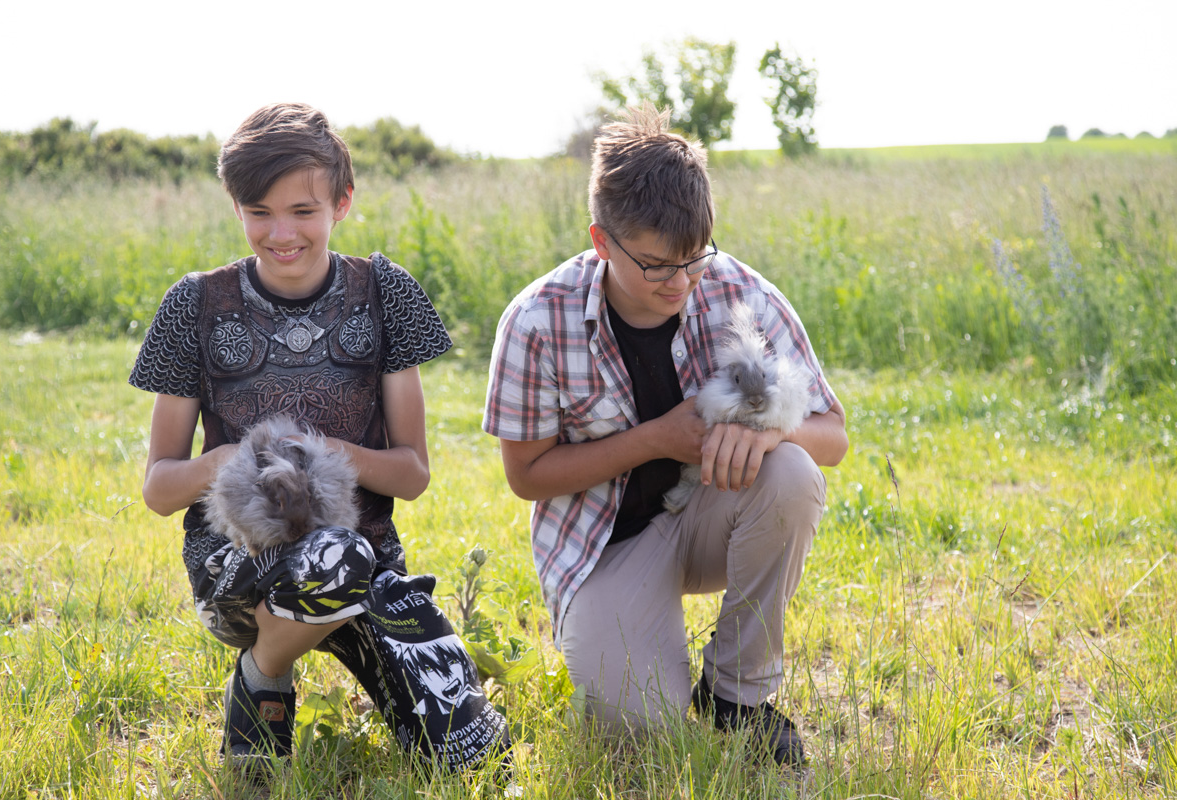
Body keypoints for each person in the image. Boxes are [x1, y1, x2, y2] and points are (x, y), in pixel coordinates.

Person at [129, 102, 507, 777]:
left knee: (465, 754)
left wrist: (325, 454)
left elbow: (413, 474)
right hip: (236, 568)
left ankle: (364, 654)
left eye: (304, 211)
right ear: (235, 206)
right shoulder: (195, 304)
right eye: (259, 211)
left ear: (343, 202)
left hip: (362, 564)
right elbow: (159, 488)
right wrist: (224, 461)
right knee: (331, 555)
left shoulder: (385, 293)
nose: (281, 233)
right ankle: (264, 669)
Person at [482, 105, 847, 766]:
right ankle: (646, 649)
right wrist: (656, 438)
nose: (679, 282)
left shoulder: (738, 289)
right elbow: (526, 476)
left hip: (713, 518)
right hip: (605, 547)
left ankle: (736, 696)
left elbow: (833, 434)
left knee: (793, 474)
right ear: (602, 241)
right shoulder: (536, 319)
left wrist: (769, 438)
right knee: (639, 730)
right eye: (654, 265)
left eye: (693, 259)